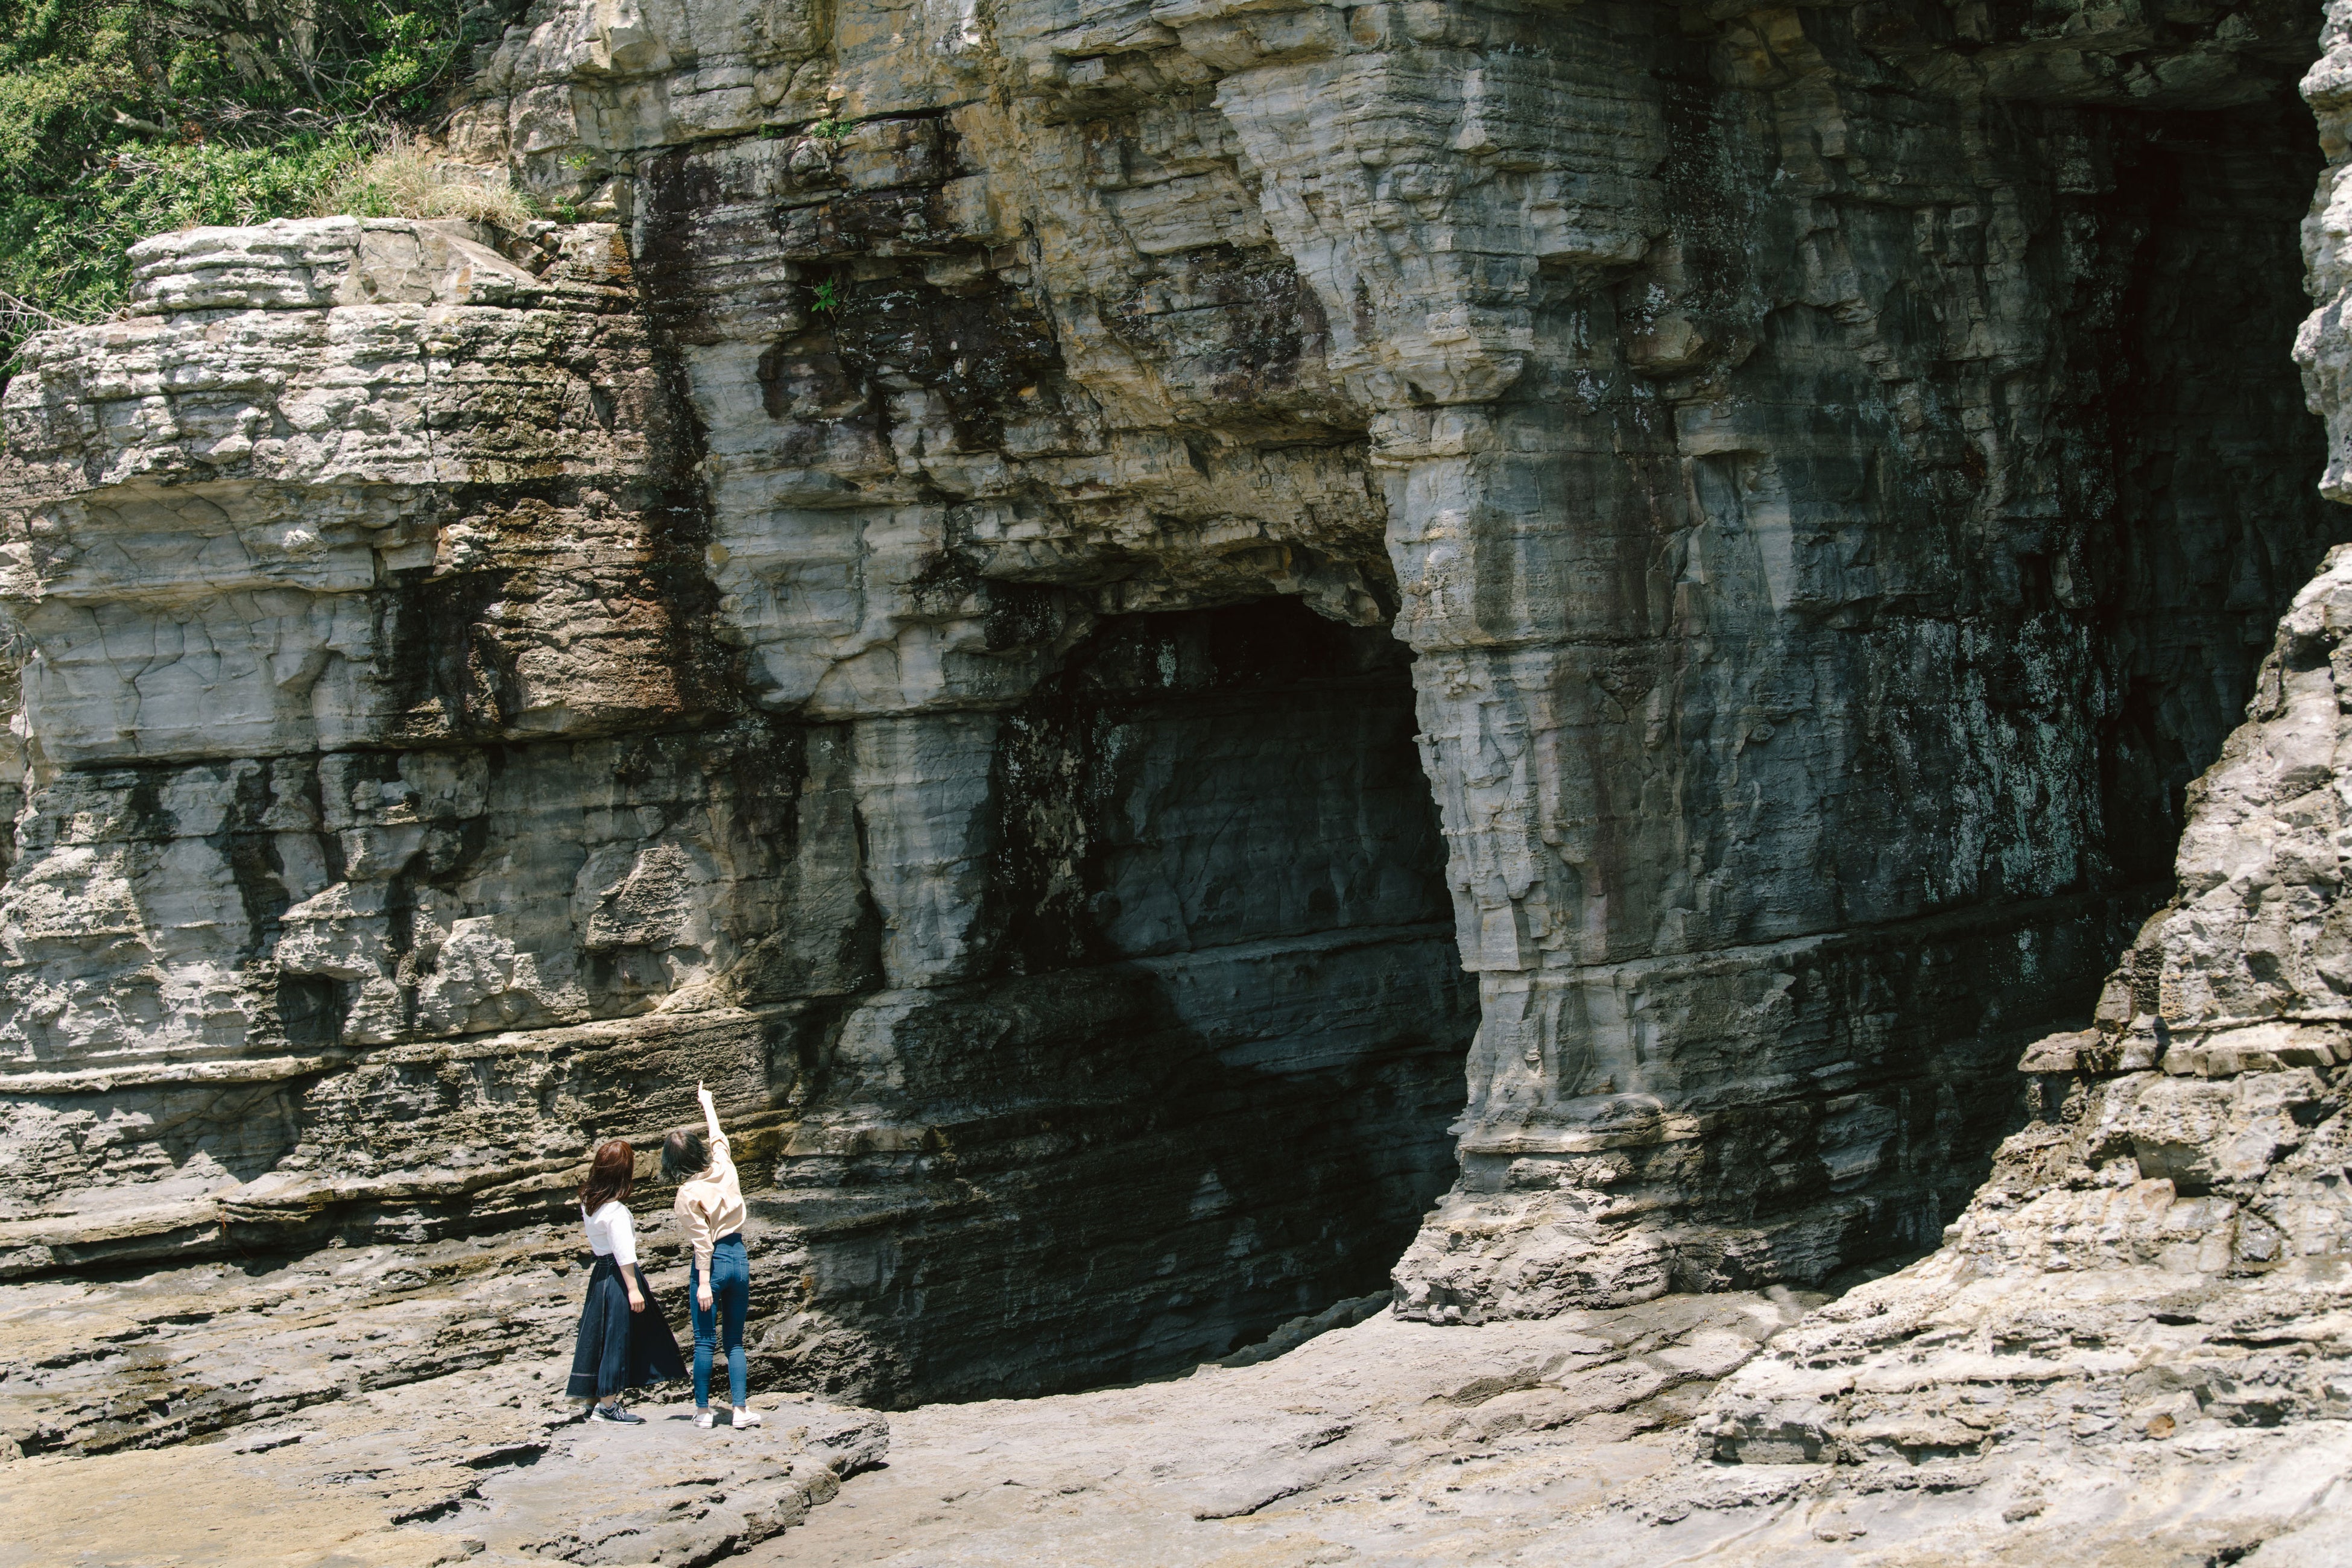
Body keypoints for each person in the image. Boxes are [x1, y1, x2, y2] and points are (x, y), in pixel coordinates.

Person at [564, 1138, 684, 1422]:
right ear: (623, 1173)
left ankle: (593, 1400)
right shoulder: (616, 1211)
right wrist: (634, 1289)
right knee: (617, 1338)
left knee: (598, 1335)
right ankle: (608, 1406)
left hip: (600, 1274)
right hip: (619, 1276)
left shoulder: (589, 1200)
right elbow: (623, 1254)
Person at [665, 1081, 757, 1430]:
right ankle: (740, 1411)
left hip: (713, 1264)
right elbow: (718, 1137)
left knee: (704, 1341)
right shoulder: (724, 1166)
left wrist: (704, 1282)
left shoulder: (687, 1193)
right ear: (699, 1150)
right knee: (734, 1341)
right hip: (739, 1257)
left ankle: (703, 1412)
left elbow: (702, 1243)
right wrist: (708, 1103)